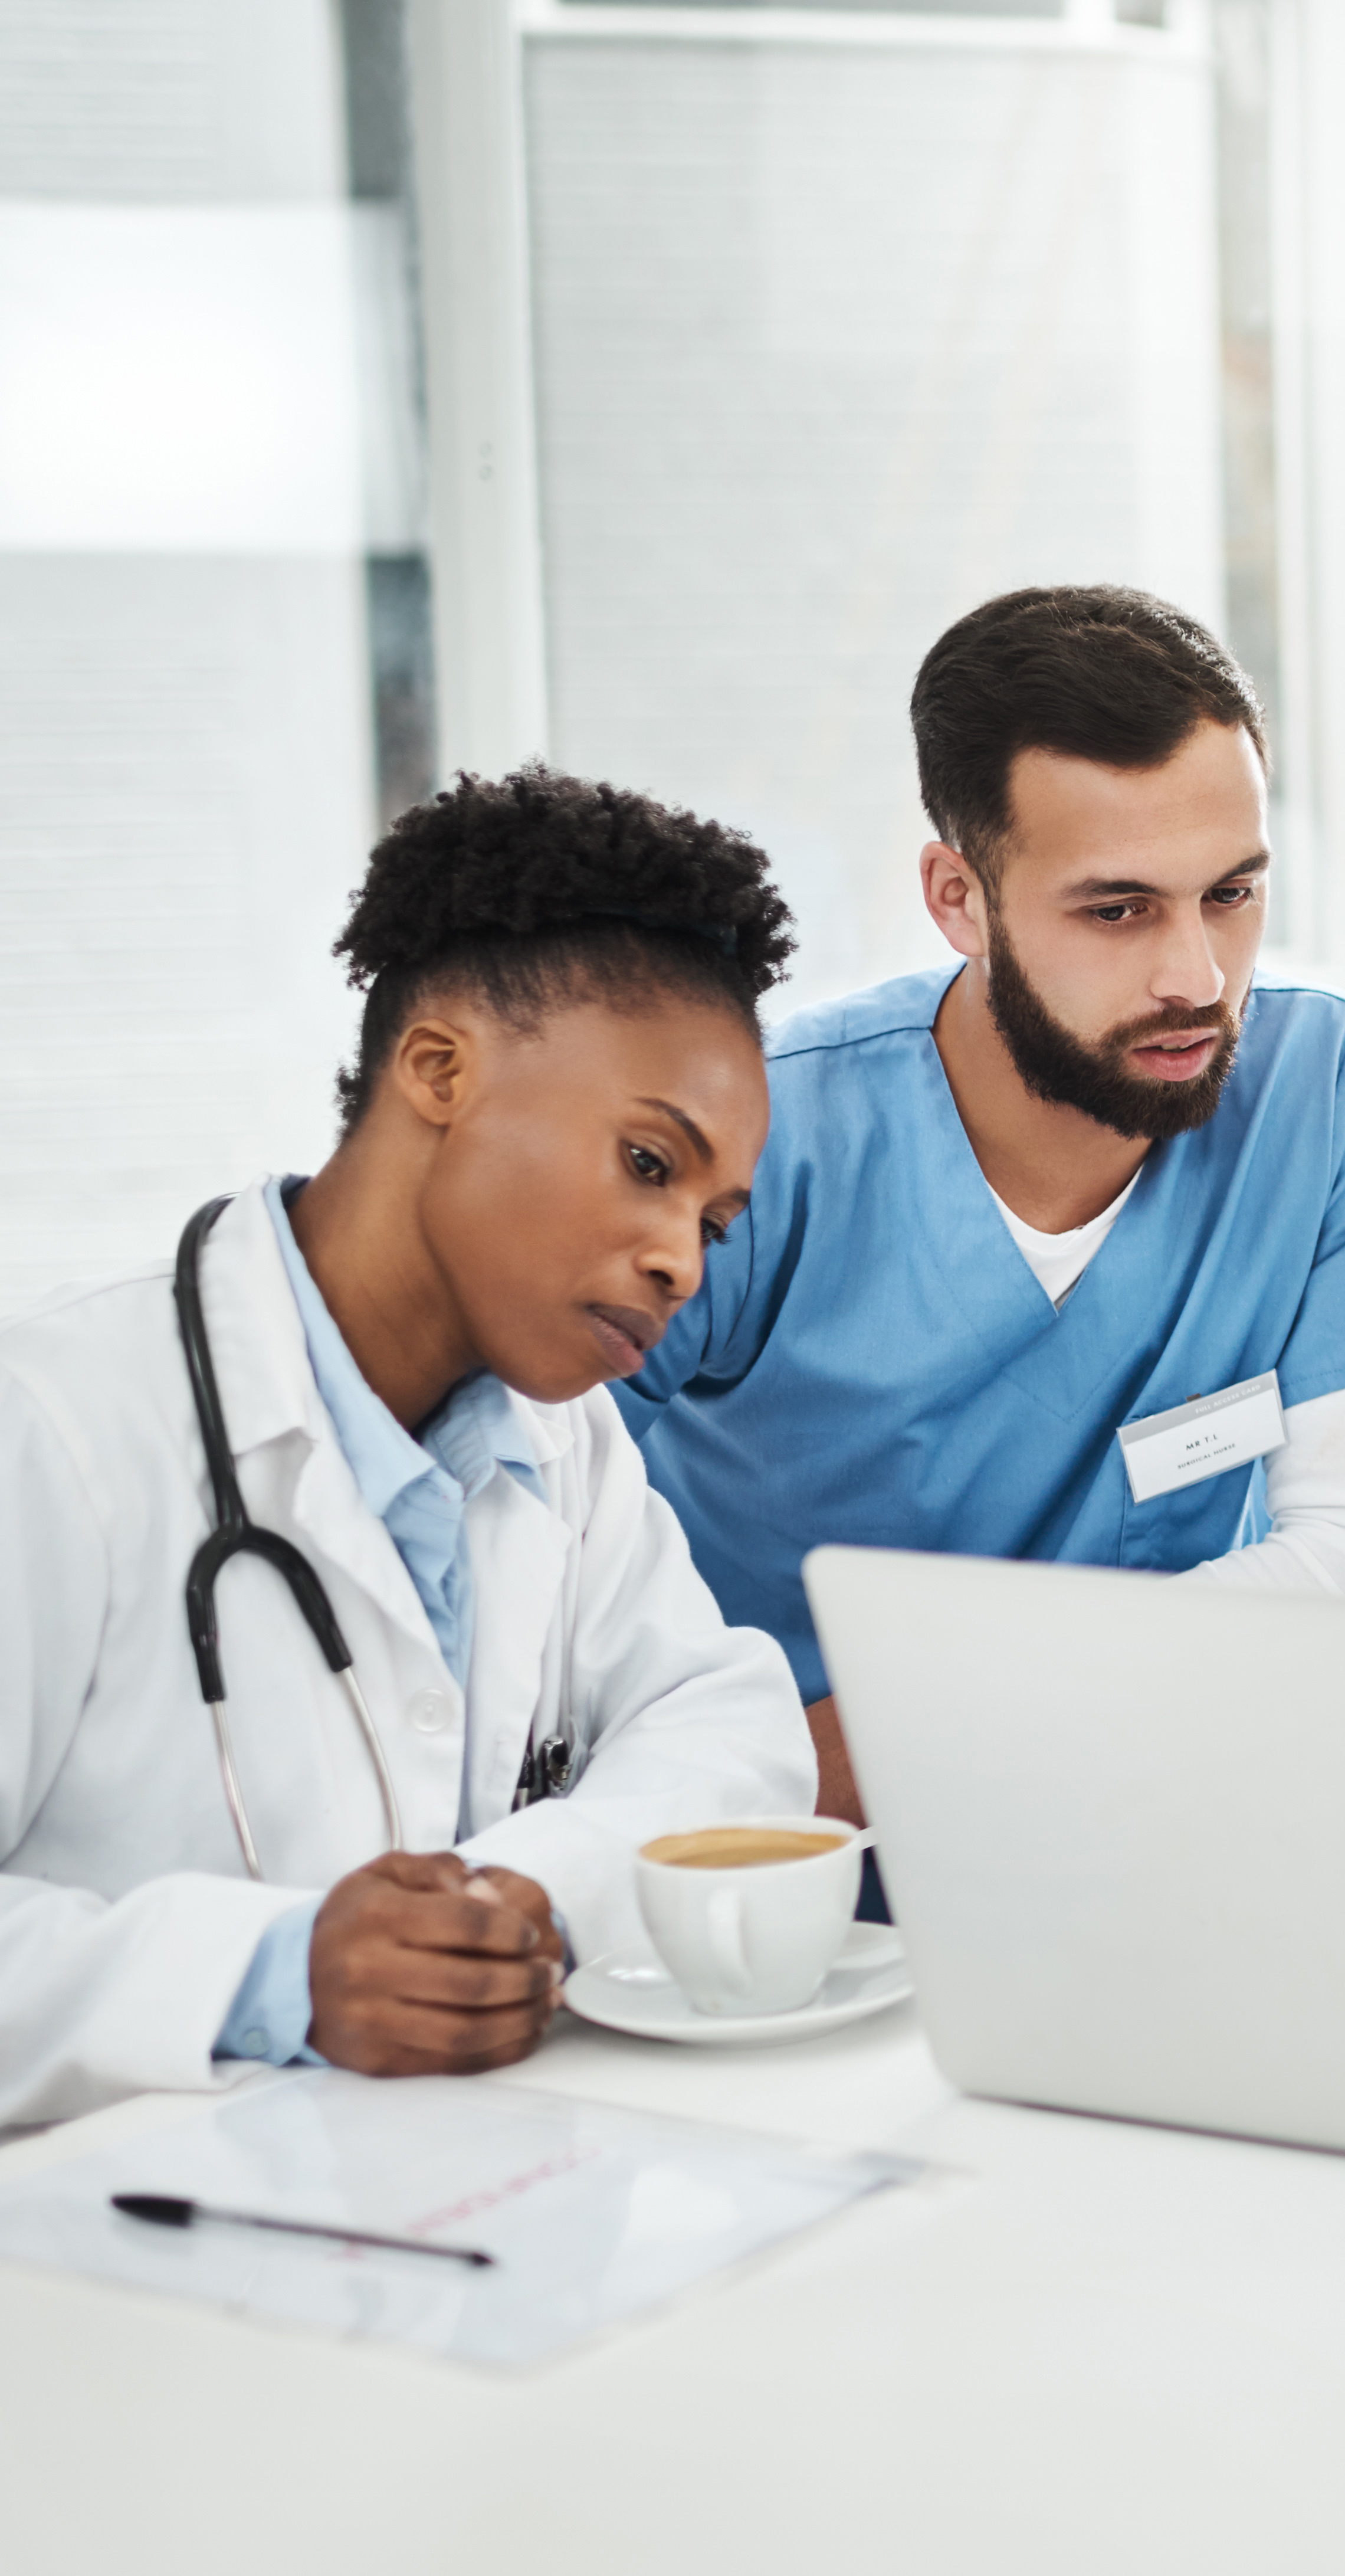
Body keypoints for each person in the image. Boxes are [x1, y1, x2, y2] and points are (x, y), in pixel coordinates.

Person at [608, 590, 1345, 1846]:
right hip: (805, 1886)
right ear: (958, 898)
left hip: (1177, 1847)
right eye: (1117, 910)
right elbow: (546, 1569)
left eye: (1231, 894)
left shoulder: (1323, 1091)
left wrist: (909, 1724)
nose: (1196, 978)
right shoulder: (762, 1137)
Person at [0, 770, 818, 2126]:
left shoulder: (566, 1445)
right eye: (648, 1163)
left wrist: (520, 1897)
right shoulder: (61, 1425)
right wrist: (265, 1972)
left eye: (715, 1220)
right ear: (439, 1070)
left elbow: (724, 1725)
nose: (680, 1257)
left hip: (451, 2195)